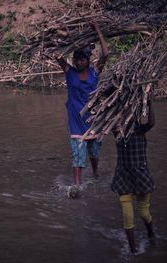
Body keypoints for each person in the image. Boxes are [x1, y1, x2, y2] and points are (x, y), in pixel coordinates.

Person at [56, 23, 108, 190]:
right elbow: (57, 54)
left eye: (82, 59)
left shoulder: (95, 72)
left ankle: (95, 172)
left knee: (94, 152)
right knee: (78, 154)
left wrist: (97, 29)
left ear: (87, 59)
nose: (79, 62)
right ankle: (77, 185)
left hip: (93, 118)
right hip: (76, 121)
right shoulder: (69, 72)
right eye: (77, 59)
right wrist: (63, 34)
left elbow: (106, 53)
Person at [111, 93, 156, 254]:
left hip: (141, 176)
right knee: (128, 215)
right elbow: (112, 121)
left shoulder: (140, 129)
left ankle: (151, 232)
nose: (126, 118)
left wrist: (150, 102)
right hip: (123, 176)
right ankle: (133, 251)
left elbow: (151, 122)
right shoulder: (118, 131)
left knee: (144, 212)